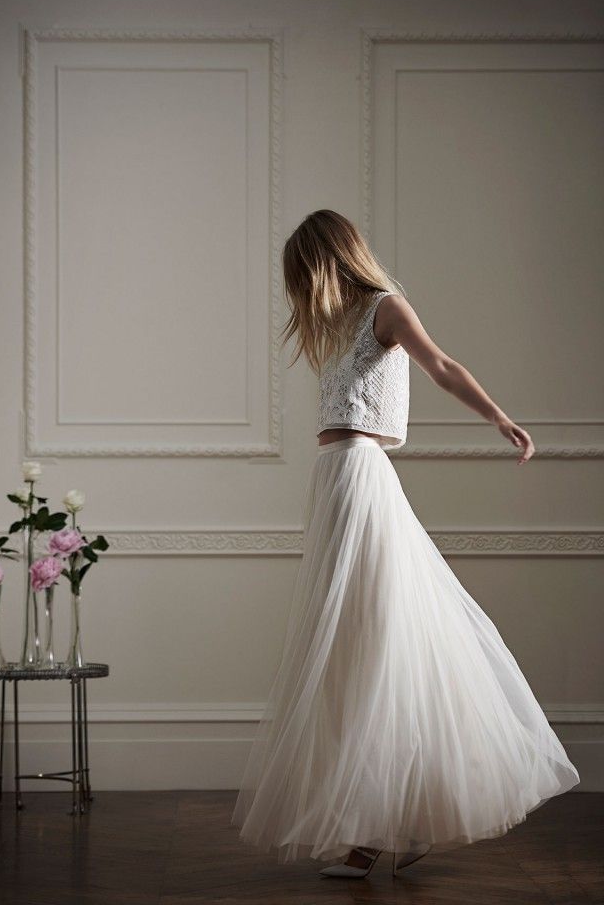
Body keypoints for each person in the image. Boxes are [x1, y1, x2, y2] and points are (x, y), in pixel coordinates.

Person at [230, 209, 580, 878]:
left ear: (333, 257)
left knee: (377, 641)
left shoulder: (384, 308)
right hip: (334, 480)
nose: (304, 285)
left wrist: (499, 418)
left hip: (362, 476)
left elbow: (442, 363)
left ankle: (382, 827)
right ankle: (393, 817)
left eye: (309, 269)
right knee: (354, 649)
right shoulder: (332, 324)